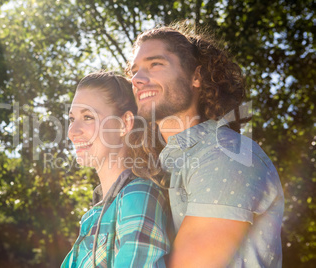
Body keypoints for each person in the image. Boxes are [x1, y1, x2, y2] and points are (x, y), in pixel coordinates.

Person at [127, 23, 284, 267]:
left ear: (196, 77)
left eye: (155, 64)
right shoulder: (163, 167)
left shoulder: (225, 154)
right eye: (134, 71)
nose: (136, 79)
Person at [61, 71, 171, 268]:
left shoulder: (138, 195)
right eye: (71, 119)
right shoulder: (95, 214)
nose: (72, 131)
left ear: (124, 123)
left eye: (87, 117)